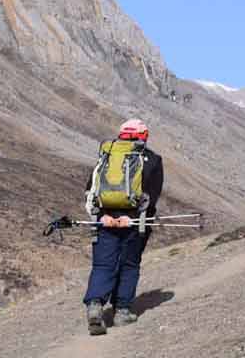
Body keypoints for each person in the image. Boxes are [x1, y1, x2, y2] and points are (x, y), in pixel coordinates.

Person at [82, 119, 164, 336]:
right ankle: (122, 311)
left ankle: (95, 306)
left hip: (104, 220)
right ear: (143, 136)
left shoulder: (107, 155)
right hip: (135, 223)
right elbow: (151, 196)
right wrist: (133, 217)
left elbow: (91, 189)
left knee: (102, 264)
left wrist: (102, 216)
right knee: (129, 264)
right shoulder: (153, 160)